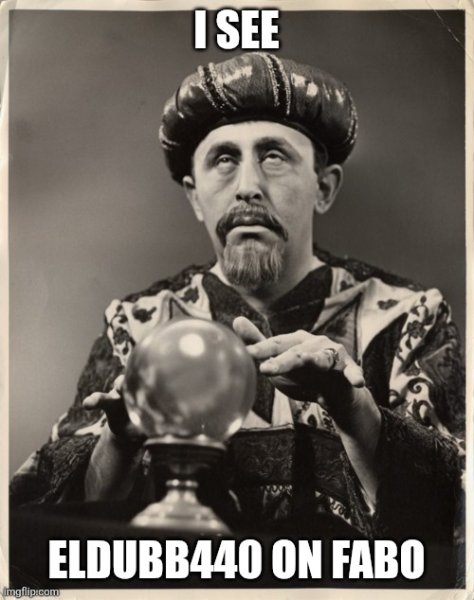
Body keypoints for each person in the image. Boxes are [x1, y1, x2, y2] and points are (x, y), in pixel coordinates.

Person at [11, 53, 464, 559]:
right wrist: (120, 440)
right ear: (195, 196)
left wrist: (350, 406)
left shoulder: (406, 316)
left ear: (324, 187)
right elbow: (42, 534)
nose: (248, 187)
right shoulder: (138, 327)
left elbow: (458, 517)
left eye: (274, 156)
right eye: (224, 159)